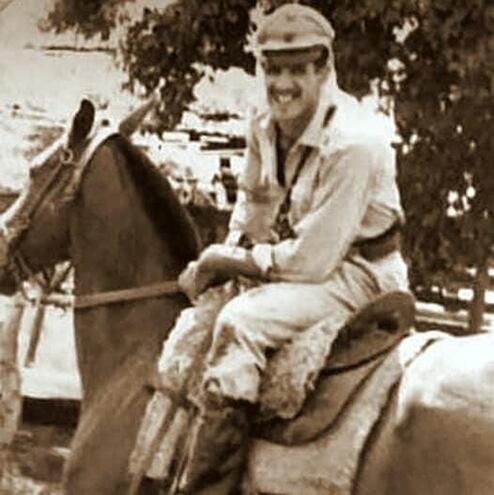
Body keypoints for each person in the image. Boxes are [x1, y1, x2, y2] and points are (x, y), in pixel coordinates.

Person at [163, 3, 409, 493]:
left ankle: (211, 485)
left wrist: (223, 260)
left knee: (240, 322)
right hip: (309, 263)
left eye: (297, 70)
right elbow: (254, 204)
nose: (282, 84)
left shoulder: (355, 143)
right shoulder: (263, 122)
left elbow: (312, 262)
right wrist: (234, 248)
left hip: (359, 275)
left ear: (324, 68)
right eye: (272, 70)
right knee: (207, 314)